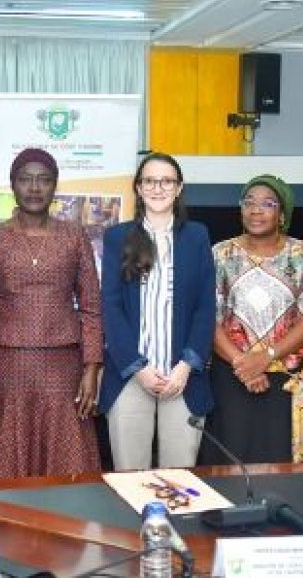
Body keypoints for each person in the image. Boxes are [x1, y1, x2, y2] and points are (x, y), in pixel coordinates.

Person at [0, 147, 103, 479]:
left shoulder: (75, 236)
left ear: (55, 186)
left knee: (67, 458)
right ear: (12, 184)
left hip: (63, 366)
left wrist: (91, 369)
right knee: (8, 456)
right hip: (7, 366)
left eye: (44, 180)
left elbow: (91, 307)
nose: (34, 188)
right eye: (25, 180)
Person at [198, 174, 303, 465]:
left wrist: (267, 356)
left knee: (283, 472)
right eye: (249, 203)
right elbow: (208, 318)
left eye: (267, 204)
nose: (256, 210)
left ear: (282, 213)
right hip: (232, 379)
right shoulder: (220, 253)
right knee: (230, 468)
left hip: (285, 381)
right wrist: (243, 364)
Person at [99, 153, 216, 470]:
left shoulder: (197, 236)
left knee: (180, 481)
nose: (158, 187)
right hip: (130, 377)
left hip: (182, 379)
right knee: (130, 479)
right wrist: (137, 368)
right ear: (138, 188)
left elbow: (206, 307)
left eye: (167, 181)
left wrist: (186, 366)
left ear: (179, 188)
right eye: (149, 180)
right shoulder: (117, 237)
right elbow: (110, 307)